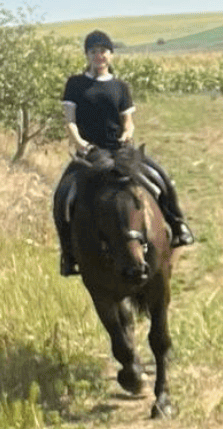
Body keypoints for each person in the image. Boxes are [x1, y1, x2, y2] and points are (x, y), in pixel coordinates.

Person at [53, 29, 194, 276]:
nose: (99, 56)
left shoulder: (120, 87)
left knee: (159, 177)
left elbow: (128, 120)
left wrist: (127, 134)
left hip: (120, 150)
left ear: (111, 55)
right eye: (93, 51)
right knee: (64, 195)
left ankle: (177, 223)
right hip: (89, 154)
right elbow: (69, 121)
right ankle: (68, 254)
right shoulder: (75, 84)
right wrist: (80, 143)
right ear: (87, 55)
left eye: (103, 51)